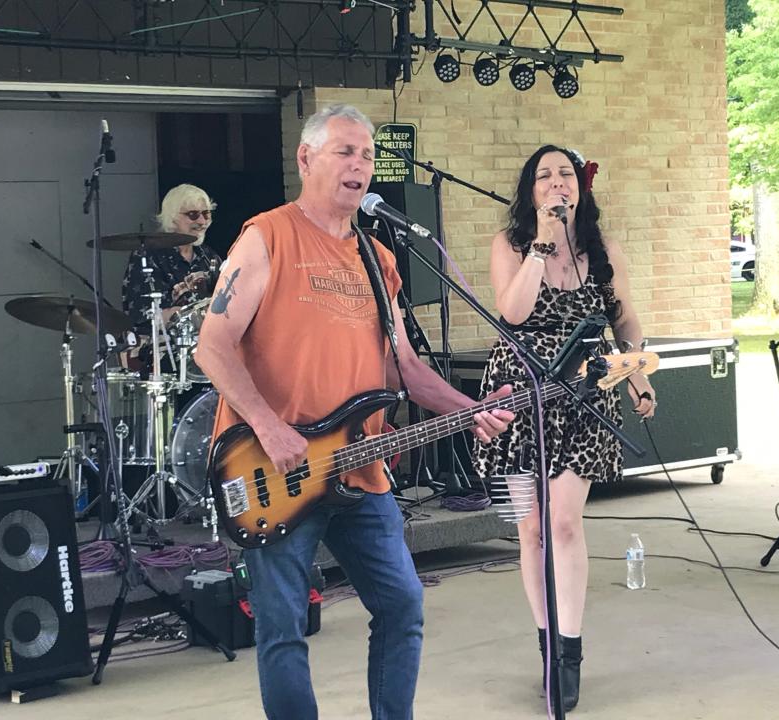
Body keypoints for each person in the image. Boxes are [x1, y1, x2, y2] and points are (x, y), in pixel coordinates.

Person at [194, 104, 515, 720]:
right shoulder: (268, 235)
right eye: (345, 151)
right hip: (271, 472)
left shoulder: (378, 258)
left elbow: (399, 369)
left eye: (367, 155)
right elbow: (213, 344)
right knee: (284, 628)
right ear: (306, 158)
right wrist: (267, 424)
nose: (360, 165)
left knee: (402, 607)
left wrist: (470, 408)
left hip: (359, 469)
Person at [473, 145, 657, 713]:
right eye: (545, 176)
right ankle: (546, 643)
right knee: (530, 532)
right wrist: (542, 247)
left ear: (581, 187)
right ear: (531, 191)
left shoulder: (603, 250)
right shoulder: (510, 245)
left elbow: (625, 319)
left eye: (566, 175)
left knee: (566, 525)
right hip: (521, 395)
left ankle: (570, 651)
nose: (557, 184)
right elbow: (515, 314)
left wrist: (639, 373)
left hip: (583, 395)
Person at [121, 183, 222, 340]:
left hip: (207, 345)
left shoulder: (209, 256)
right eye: (193, 215)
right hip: (163, 348)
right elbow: (143, 316)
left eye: (206, 214)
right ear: (172, 217)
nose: (202, 221)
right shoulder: (148, 255)